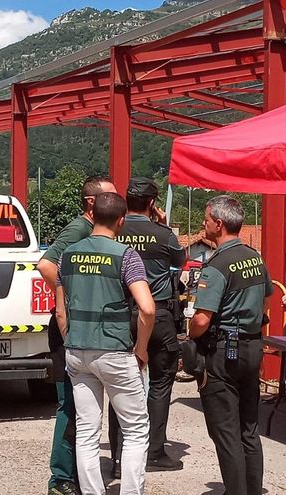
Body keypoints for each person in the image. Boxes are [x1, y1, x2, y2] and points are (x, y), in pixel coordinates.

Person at [56, 192, 155, 495]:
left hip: (77, 350)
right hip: (114, 350)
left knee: (87, 431)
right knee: (135, 429)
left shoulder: (67, 255)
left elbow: (60, 312)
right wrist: (141, 349)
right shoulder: (125, 256)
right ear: (121, 220)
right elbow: (148, 308)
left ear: (93, 215)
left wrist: (71, 340)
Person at [37, 175, 117, 495]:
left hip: (85, 331)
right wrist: (71, 298)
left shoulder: (98, 233)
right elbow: (45, 265)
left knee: (84, 407)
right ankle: (60, 478)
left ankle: (75, 475)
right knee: (70, 405)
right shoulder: (79, 229)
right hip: (69, 330)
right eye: (111, 197)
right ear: (91, 203)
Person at [188, 195, 273, 495]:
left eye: (206, 219)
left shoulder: (217, 265)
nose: (203, 224)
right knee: (248, 428)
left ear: (219, 223)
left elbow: (202, 319)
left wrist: (190, 335)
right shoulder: (254, 257)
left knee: (225, 432)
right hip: (251, 347)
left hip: (223, 352)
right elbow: (267, 298)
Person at [109, 177, 186, 476]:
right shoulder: (163, 234)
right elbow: (181, 260)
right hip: (159, 314)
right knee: (160, 383)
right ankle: (154, 452)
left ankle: (119, 457)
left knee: (119, 385)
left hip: (120, 315)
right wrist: (163, 225)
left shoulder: (114, 231)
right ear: (152, 204)